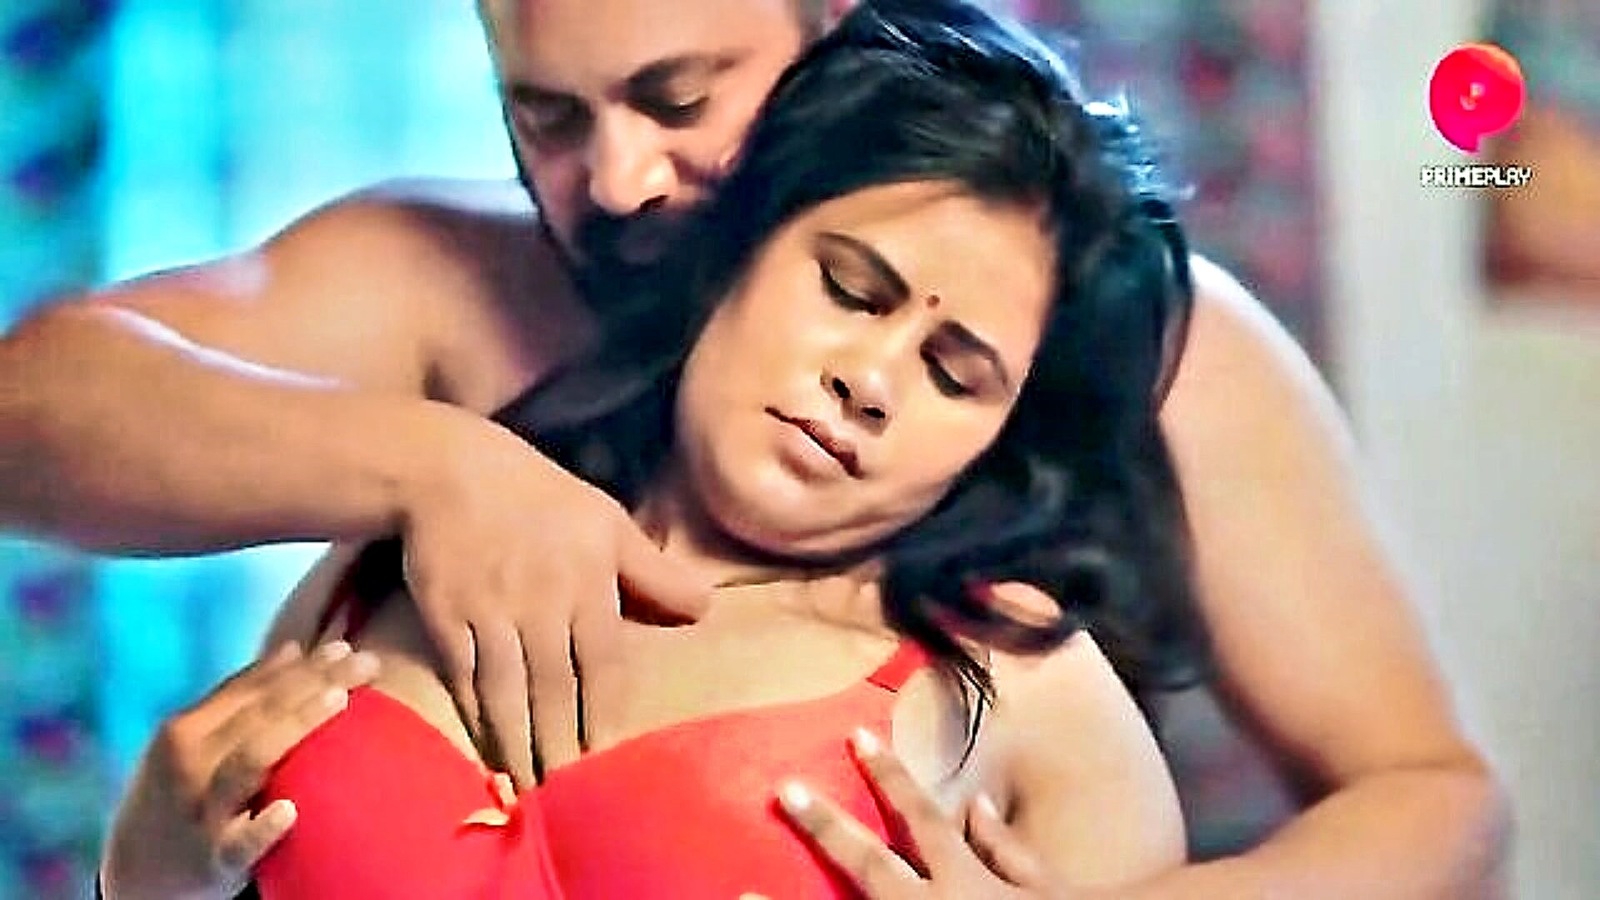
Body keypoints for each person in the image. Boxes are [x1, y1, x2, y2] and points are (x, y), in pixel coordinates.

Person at [1, 0, 1505, 895]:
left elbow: (1435, 796)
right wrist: (437, 467)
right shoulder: (444, 282)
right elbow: (30, 413)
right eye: (548, 117)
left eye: (679, 98)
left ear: (832, 37)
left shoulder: (1142, 343)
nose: (621, 182)